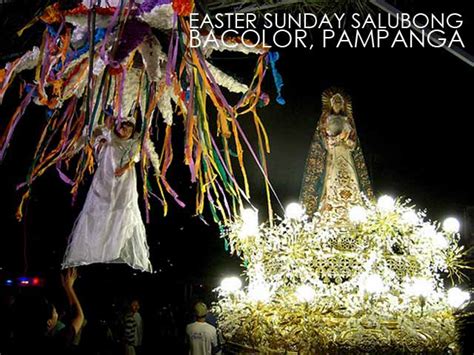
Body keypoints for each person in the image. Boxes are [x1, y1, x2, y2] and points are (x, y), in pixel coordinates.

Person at [62, 115, 152, 272]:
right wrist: (106, 130)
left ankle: (115, 246)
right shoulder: (108, 137)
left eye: (129, 128)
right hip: (105, 178)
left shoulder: (134, 142)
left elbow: (135, 157)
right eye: (123, 127)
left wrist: (124, 168)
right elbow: (94, 137)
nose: (125, 130)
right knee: (100, 209)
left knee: (122, 211)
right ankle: (95, 247)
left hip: (124, 181)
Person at [300, 89, 373, 220]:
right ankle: (330, 208)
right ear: (331, 104)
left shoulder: (347, 120)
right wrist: (338, 138)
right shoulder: (326, 120)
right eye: (335, 101)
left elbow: (353, 143)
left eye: (340, 101)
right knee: (331, 179)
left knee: (351, 177)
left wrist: (347, 141)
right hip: (333, 155)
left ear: (344, 104)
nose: (338, 104)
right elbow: (325, 141)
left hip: (346, 154)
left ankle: (354, 208)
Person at [14, 268, 85, 355]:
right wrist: (68, 287)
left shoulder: (22, 336)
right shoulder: (56, 344)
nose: (57, 314)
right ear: (49, 322)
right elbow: (79, 316)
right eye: (54, 312)